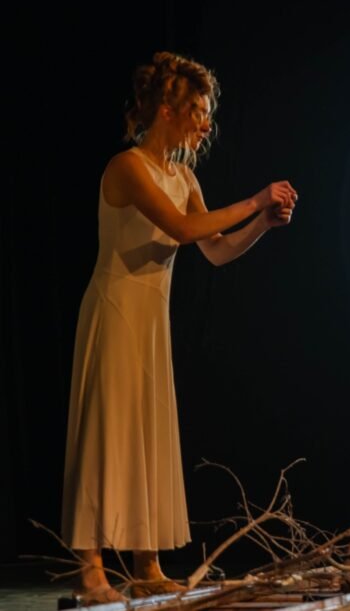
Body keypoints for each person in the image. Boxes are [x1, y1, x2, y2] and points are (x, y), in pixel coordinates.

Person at [61, 52, 298, 603]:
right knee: (107, 431)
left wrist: (262, 224)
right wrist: (255, 199)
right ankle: (91, 568)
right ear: (166, 111)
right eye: (198, 110)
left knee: (146, 432)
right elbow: (183, 228)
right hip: (115, 310)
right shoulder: (127, 167)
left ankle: (146, 563)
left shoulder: (183, 176)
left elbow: (215, 250)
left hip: (151, 321)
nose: (205, 123)